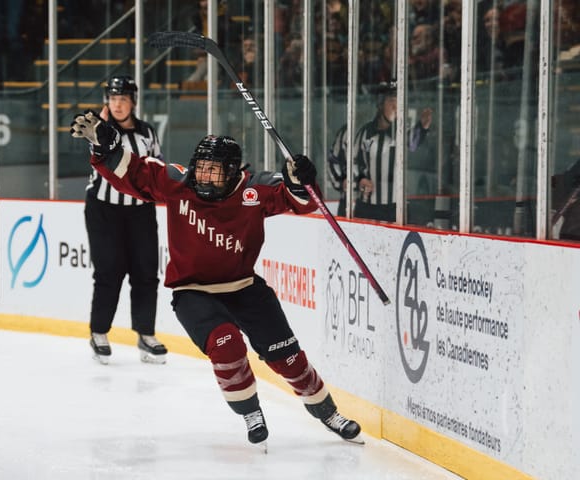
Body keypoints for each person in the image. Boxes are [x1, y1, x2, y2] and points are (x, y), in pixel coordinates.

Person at [70, 112, 363, 448]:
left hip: (244, 288)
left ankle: (328, 413)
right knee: (227, 344)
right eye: (202, 167)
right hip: (193, 292)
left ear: (234, 172)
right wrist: (106, 147)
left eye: (215, 169)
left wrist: (299, 181)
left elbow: (300, 201)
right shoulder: (179, 183)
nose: (205, 175)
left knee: (288, 357)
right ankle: (251, 412)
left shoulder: (252, 190)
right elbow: (135, 173)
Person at [84, 75, 167, 365]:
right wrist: (101, 129)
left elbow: (157, 166)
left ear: (133, 101)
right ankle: (99, 333)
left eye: (123, 99)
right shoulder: (100, 130)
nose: (117, 104)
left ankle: (146, 334)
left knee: (145, 272)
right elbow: (102, 155)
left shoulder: (147, 133)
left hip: (141, 210)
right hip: (104, 211)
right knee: (109, 271)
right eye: (113, 98)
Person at [328, 81, 433, 221]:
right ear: (379, 105)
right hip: (365, 208)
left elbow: (412, 143)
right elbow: (345, 164)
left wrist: (422, 127)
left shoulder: (400, 132)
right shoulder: (361, 132)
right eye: (391, 101)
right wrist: (355, 183)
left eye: (399, 101)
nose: (396, 107)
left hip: (396, 208)